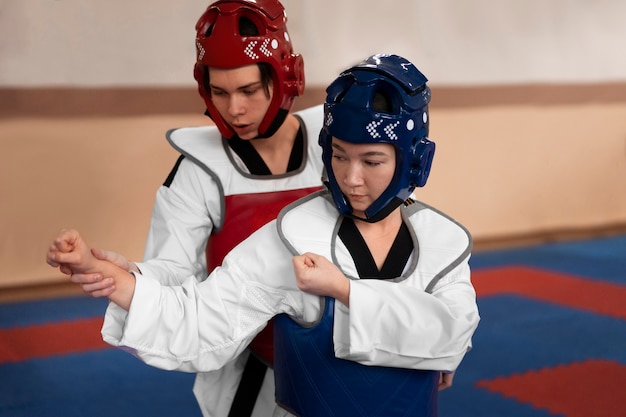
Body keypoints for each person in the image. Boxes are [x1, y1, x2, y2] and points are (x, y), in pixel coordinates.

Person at [48, 54, 480, 417]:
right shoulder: (293, 239)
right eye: (339, 156)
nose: (351, 178)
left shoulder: (439, 244)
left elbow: (454, 333)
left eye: (372, 161)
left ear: (413, 163)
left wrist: (345, 291)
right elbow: (201, 319)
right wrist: (123, 282)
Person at [62, 1, 324, 416]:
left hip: (343, 359)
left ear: (286, 77)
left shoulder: (339, 148)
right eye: (219, 92)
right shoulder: (199, 169)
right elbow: (174, 269)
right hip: (250, 370)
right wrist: (129, 276)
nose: (233, 109)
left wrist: (418, 349)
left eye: (248, 91)